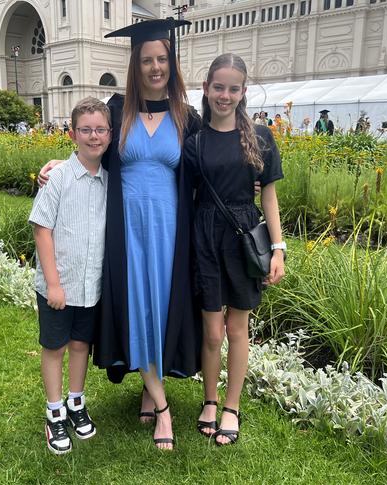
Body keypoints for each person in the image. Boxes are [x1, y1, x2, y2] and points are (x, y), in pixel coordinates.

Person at [38, 18, 202, 451]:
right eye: (147, 59)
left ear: (172, 63)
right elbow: (91, 145)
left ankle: (151, 389)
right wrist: (60, 162)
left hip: (169, 232)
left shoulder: (187, 115)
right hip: (126, 232)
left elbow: (209, 166)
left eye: (162, 59)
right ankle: (162, 408)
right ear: (135, 63)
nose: (155, 67)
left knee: (161, 308)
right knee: (138, 307)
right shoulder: (116, 109)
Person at [183, 53, 285, 447]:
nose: (225, 95)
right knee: (212, 331)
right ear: (207, 88)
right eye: (218, 87)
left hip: (243, 236)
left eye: (233, 88)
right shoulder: (194, 143)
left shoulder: (260, 137)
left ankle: (231, 406)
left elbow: (271, 197)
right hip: (205, 237)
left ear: (243, 92)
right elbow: (185, 194)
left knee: (237, 328)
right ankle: (209, 400)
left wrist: (278, 249)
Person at [29, 97, 111, 455]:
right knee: (55, 346)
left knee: (81, 345)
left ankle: (76, 403)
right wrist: (54, 284)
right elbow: (41, 229)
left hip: (90, 284)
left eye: (100, 129)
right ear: (73, 133)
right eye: (86, 130)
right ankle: (54, 412)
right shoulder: (59, 177)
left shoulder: (110, 180)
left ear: (109, 134)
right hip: (58, 285)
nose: (94, 136)